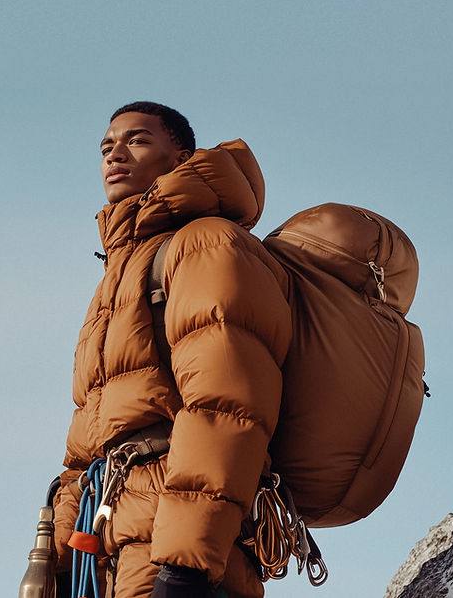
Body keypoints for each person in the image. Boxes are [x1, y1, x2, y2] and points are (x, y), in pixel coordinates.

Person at [50, 102, 293, 598]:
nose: (115, 153)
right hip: (104, 549)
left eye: (137, 140)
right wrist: (56, 564)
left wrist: (186, 568)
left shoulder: (206, 244)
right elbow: (86, 449)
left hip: (175, 552)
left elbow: (225, 408)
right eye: (106, 146)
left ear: (181, 158)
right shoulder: (116, 280)